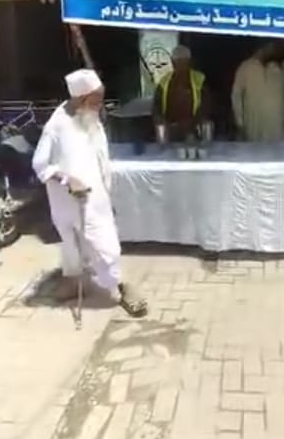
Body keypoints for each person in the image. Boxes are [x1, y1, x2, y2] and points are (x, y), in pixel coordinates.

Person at [33, 69, 147, 316]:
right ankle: (74, 282)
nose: (100, 104)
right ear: (82, 98)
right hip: (68, 201)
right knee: (72, 244)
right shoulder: (56, 126)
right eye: (97, 99)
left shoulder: (90, 118)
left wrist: (107, 192)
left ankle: (119, 286)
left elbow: (100, 158)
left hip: (96, 199)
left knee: (106, 246)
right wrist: (67, 179)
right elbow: (40, 164)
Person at [231, 41, 284, 142]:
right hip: (253, 125)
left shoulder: (276, 69)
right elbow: (236, 96)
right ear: (262, 48)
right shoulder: (245, 67)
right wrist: (240, 122)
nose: (273, 51)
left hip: (274, 128)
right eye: (270, 48)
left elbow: (283, 96)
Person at [153, 45, 209, 142]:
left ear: (189, 62)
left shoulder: (199, 79)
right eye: (178, 62)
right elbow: (156, 106)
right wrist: (160, 120)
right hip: (170, 131)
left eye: (184, 62)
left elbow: (207, 104)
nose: (181, 66)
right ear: (172, 62)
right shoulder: (164, 81)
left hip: (193, 130)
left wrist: (196, 121)